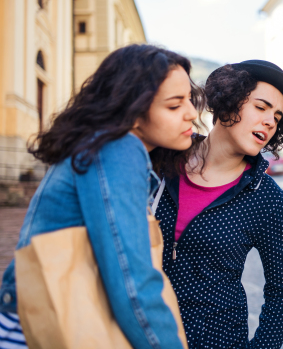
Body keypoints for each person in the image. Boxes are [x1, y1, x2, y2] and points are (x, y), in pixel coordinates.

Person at [0, 44, 202, 349]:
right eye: (174, 106)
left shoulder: (102, 146)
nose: (191, 113)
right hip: (40, 328)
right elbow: (130, 277)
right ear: (133, 110)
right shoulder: (119, 149)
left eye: (189, 99)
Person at [151, 60, 283, 349]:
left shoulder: (265, 196)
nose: (270, 121)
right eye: (261, 107)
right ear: (230, 99)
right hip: (144, 335)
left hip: (218, 340)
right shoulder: (162, 159)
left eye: (277, 116)